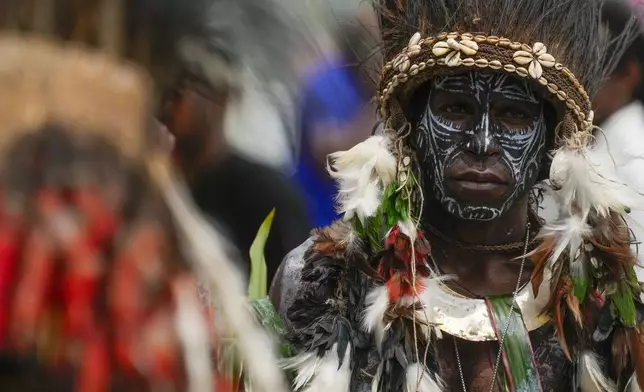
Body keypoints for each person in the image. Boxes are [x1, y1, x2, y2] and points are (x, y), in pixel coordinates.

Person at [270, 0, 644, 391]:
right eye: (456, 109)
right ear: (409, 126)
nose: (482, 143)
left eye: (513, 114)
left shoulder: (600, 300)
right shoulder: (324, 286)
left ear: (551, 141)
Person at [0, 2, 288, 391]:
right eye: (176, 93)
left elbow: (275, 310)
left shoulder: (262, 194)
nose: (175, 110)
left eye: (188, 92)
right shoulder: (68, 217)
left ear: (222, 100)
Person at [159, 0, 312, 284]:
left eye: (190, 87)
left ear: (223, 97)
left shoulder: (267, 197)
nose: (174, 103)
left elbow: (298, 297)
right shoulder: (155, 187)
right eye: (171, 88)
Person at [591, 0, 644, 280]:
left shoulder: (631, 156)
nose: (580, 78)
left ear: (629, 74)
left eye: (594, 66)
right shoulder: (605, 140)